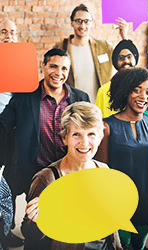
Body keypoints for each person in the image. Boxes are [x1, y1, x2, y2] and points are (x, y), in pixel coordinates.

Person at [21, 102, 114, 250]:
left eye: (91, 134)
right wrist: (35, 223)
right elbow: (28, 233)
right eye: (76, 134)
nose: (84, 143)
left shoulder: (104, 170)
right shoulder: (46, 179)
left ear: (100, 137)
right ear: (65, 138)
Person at [0, 48, 90, 199]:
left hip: (66, 172)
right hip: (30, 172)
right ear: (43, 65)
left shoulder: (80, 98)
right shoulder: (24, 96)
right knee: (32, 218)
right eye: (53, 66)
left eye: (64, 68)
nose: (58, 73)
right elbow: (2, 125)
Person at [96, 67, 148, 250]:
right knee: (121, 246)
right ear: (125, 91)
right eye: (137, 90)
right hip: (117, 204)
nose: (143, 96)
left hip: (147, 203)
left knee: (139, 246)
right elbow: (101, 174)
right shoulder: (106, 126)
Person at [53, 4, 128, 102]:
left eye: (87, 21)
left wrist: (124, 37)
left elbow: (126, 63)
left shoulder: (103, 47)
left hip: (100, 105)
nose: (83, 26)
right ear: (72, 23)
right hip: (72, 106)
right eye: (78, 21)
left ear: (92, 23)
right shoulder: (60, 48)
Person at [0, 19, 25, 249]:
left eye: (13, 33)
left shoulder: (23, 64)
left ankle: (6, 229)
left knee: (11, 181)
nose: (9, 36)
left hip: (14, 132)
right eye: (4, 32)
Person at [95, 39, 139, 118]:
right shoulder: (103, 90)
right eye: (121, 58)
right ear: (116, 62)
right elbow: (97, 121)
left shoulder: (143, 88)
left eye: (129, 57)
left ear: (135, 59)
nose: (126, 61)